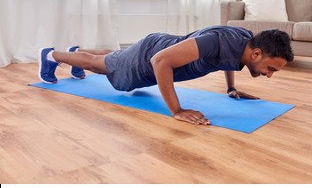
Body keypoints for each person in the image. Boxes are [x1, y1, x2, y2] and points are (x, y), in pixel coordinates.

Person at [38, 25, 294, 125]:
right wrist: (177, 110)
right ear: (258, 54)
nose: (269, 75)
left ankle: (77, 53)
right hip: (151, 56)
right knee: (103, 65)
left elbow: (228, 60)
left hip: (160, 45)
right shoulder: (216, 42)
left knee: (113, 58)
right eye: (271, 69)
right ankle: (51, 55)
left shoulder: (245, 42)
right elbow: (160, 61)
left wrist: (230, 88)